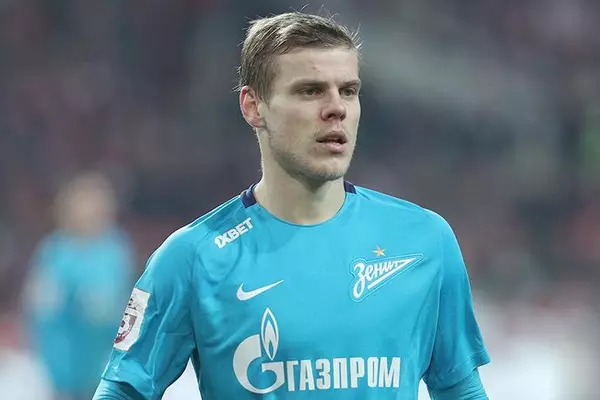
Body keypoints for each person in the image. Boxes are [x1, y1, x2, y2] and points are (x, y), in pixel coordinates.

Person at [93, 11, 490, 399]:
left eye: (348, 91)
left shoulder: (425, 240)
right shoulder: (194, 258)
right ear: (253, 107)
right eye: (310, 91)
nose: (336, 108)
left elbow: (459, 389)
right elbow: (124, 390)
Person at [23, 172, 135, 400]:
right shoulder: (55, 250)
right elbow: (38, 304)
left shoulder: (113, 250)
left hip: (103, 364)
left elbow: (111, 306)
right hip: (60, 365)